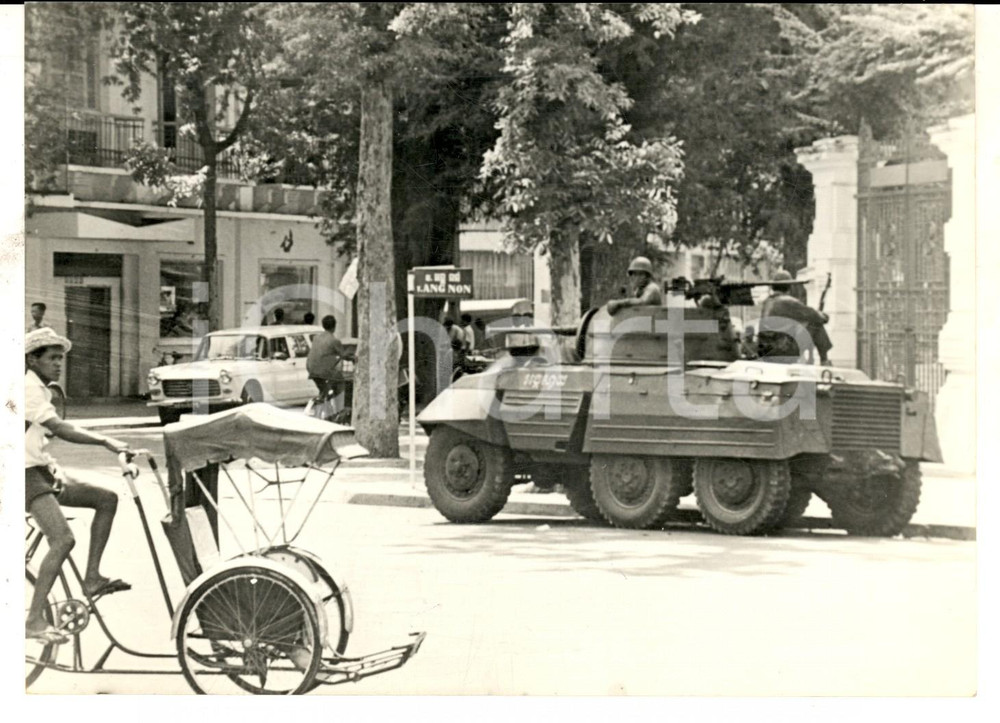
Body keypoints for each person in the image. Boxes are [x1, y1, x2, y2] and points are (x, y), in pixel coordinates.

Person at [25, 328, 132, 644]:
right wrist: (106, 441)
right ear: (33, 359)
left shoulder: (41, 389)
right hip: (20, 474)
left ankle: (92, 578)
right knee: (63, 539)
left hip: (41, 470)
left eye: (61, 358)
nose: (59, 364)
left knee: (106, 499)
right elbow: (59, 427)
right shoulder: (27, 389)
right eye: (53, 358)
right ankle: (33, 620)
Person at [756, 270, 832, 364]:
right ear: (790, 286)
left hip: (767, 351)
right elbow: (816, 316)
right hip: (781, 351)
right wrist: (823, 316)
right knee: (815, 324)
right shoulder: (788, 302)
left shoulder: (768, 302)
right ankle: (824, 360)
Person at [306, 315, 354, 409]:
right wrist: (354, 358)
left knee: (324, 390)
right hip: (325, 372)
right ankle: (339, 409)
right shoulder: (334, 340)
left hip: (311, 370)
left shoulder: (316, 338)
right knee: (341, 385)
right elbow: (344, 355)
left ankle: (324, 399)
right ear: (334, 326)